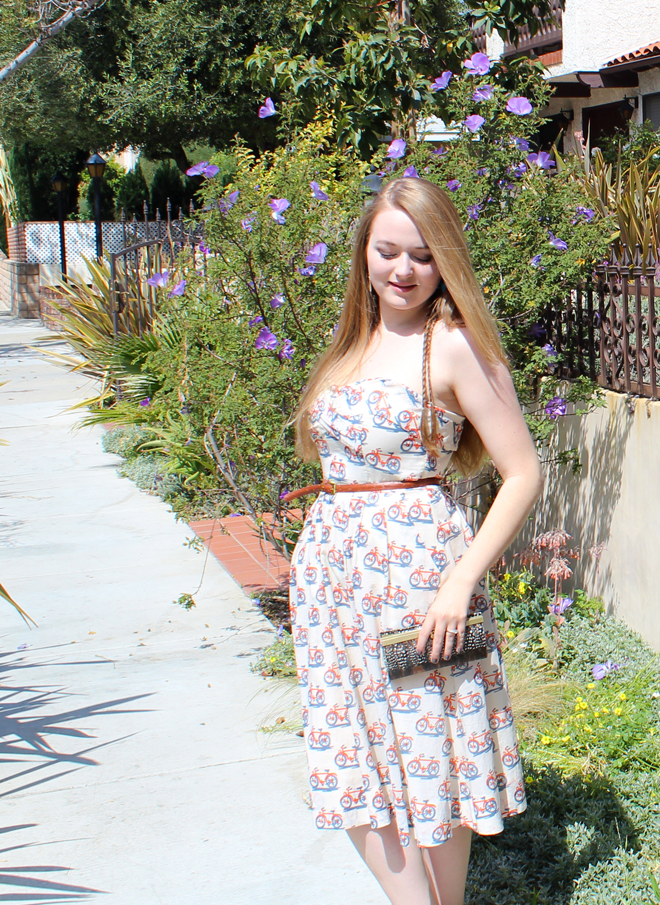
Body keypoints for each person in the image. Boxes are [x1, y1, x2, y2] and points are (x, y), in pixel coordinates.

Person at [288, 177, 543, 905]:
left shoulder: (454, 346)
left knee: (431, 744)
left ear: (445, 263)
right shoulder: (351, 342)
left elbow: (523, 473)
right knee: (353, 750)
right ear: (364, 252)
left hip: (423, 586)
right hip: (333, 588)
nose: (402, 270)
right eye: (387, 250)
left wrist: (460, 582)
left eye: (423, 256)